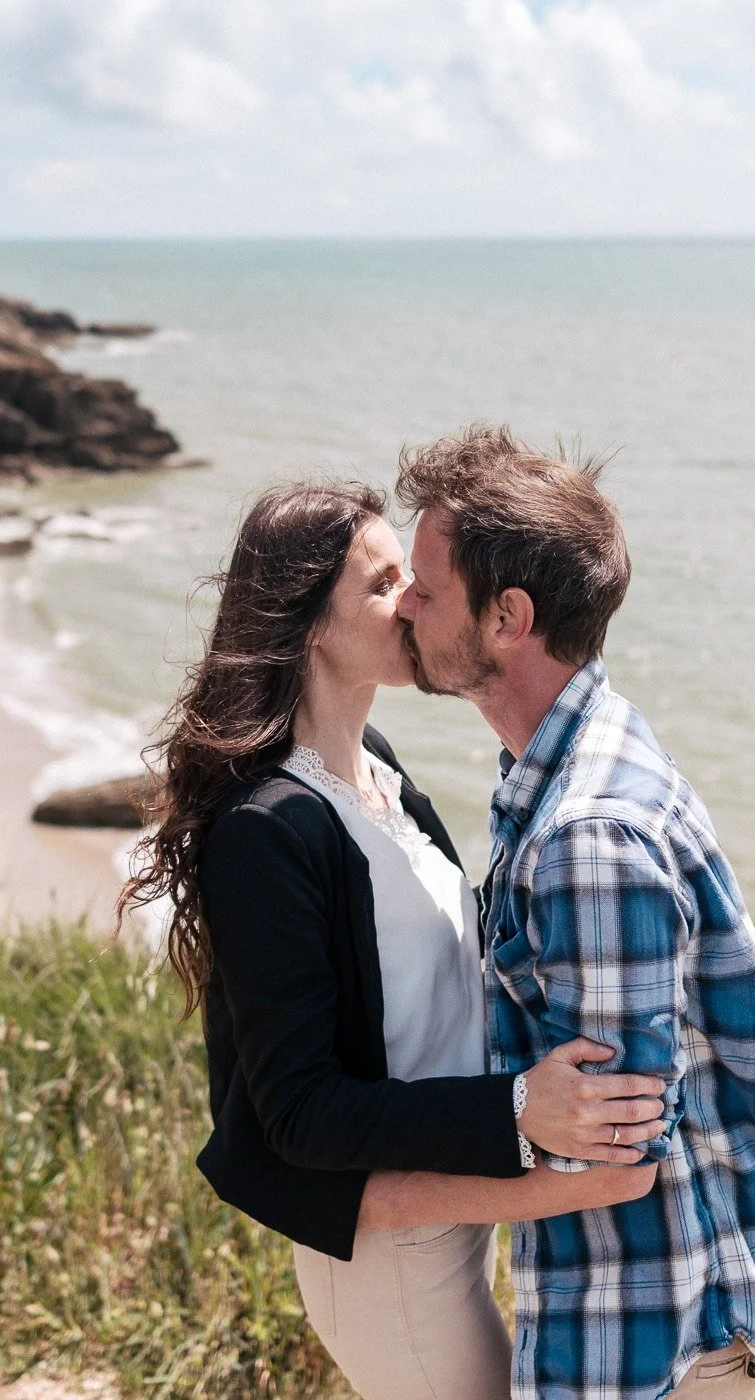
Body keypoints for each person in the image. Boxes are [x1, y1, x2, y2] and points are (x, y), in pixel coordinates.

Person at [118, 480, 667, 1400]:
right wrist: (522, 1119)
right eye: (382, 585)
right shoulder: (267, 827)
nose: (414, 599)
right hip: (388, 1260)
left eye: (412, 577)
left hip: (455, 1225)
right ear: (310, 627)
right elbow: (301, 1113)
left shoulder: (380, 775)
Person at [384, 425, 755, 1400]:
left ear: (509, 616)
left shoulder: (588, 833)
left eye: (425, 584)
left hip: (645, 1350)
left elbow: (615, 1154)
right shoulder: (563, 763)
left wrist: (367, 1182)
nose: (403, 604)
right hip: (644, 1326)